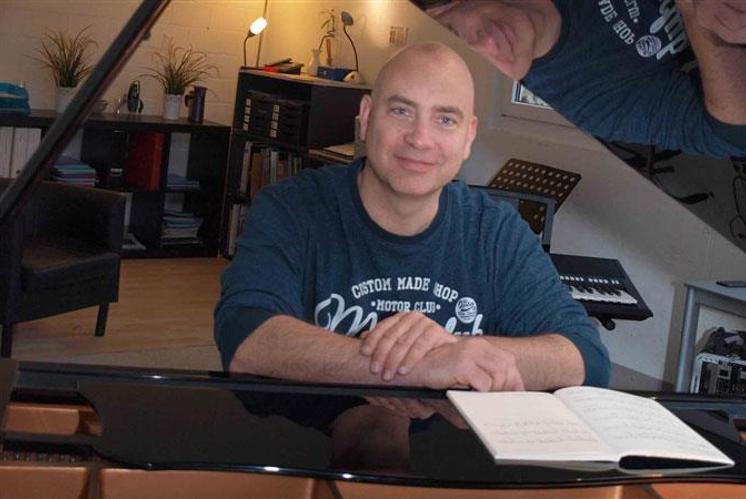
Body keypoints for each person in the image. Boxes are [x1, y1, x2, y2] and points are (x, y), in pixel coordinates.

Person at [214, 42, 610, 408]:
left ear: (469, 136)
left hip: (452, 451)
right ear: (366, 117)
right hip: (309, 450)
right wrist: (418, 368)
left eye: (445, 119)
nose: (420, 139)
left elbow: (586, 358)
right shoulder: (291, 208)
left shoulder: (495, 232)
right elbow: (247, 338)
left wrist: (461, 354)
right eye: (401, 111)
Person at [416, 0, 746, 158]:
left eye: (454, 34)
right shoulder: (585, 103)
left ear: (442, 10)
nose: (488, 44)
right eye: (479, 71)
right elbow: (730, 136)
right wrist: (699, 17)